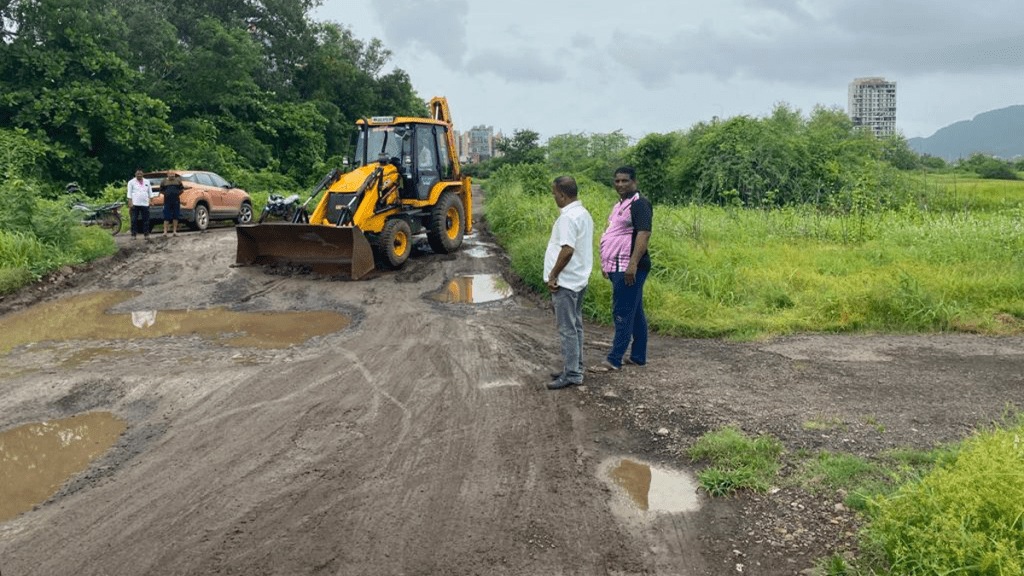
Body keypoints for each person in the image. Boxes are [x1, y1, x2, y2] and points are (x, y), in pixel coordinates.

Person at [591, 166, 653, 373]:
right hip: (616, 266)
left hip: (629, 267)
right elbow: (614, 234)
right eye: (617, 181)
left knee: (622, 311)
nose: (620, 184)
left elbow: (644, 234)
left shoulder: (640, 204)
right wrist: (606, 262)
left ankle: (614, 359)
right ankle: (638, 357)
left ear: (634, 181)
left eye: (624, 181)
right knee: (635, 313)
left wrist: (632, 264)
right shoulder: (620, 205)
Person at [543, 176, 594, 390]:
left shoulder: (568, 218)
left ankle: (572, 374)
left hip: (566, 282)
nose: (554, 197)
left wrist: (554, 275)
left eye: (555, 194)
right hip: (578, 279)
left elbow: (567, 249)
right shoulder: (583, 214)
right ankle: (575, 366)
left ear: (563, 195)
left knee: (567, 329)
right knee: (576, 325)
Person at [126, 169, 156, 240]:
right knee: (134, 220)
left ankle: (146, 234)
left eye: (140, 174)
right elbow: (129, 193)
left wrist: (151, 200)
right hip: (135, 204)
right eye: (138, 174)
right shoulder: (131, 182)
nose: (139, 175)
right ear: (135, 174)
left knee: (146, 220)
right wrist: (130, 202)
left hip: (145, 203)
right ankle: (133, 234)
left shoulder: (147, 181)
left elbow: (150, 192)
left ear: (143, 174)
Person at [160, 171, 185, 237]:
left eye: (173, 174)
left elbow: (182, 189)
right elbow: (161, 190)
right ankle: (165, 232)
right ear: (168, 174)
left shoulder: (178, 181)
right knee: (166, 216)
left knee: (176, 216)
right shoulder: (164, 181)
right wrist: (166, 194)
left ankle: (175, 231)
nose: (172, 176)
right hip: (167, 201)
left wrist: (177, 193)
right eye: (171, 174)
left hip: (176, 201)